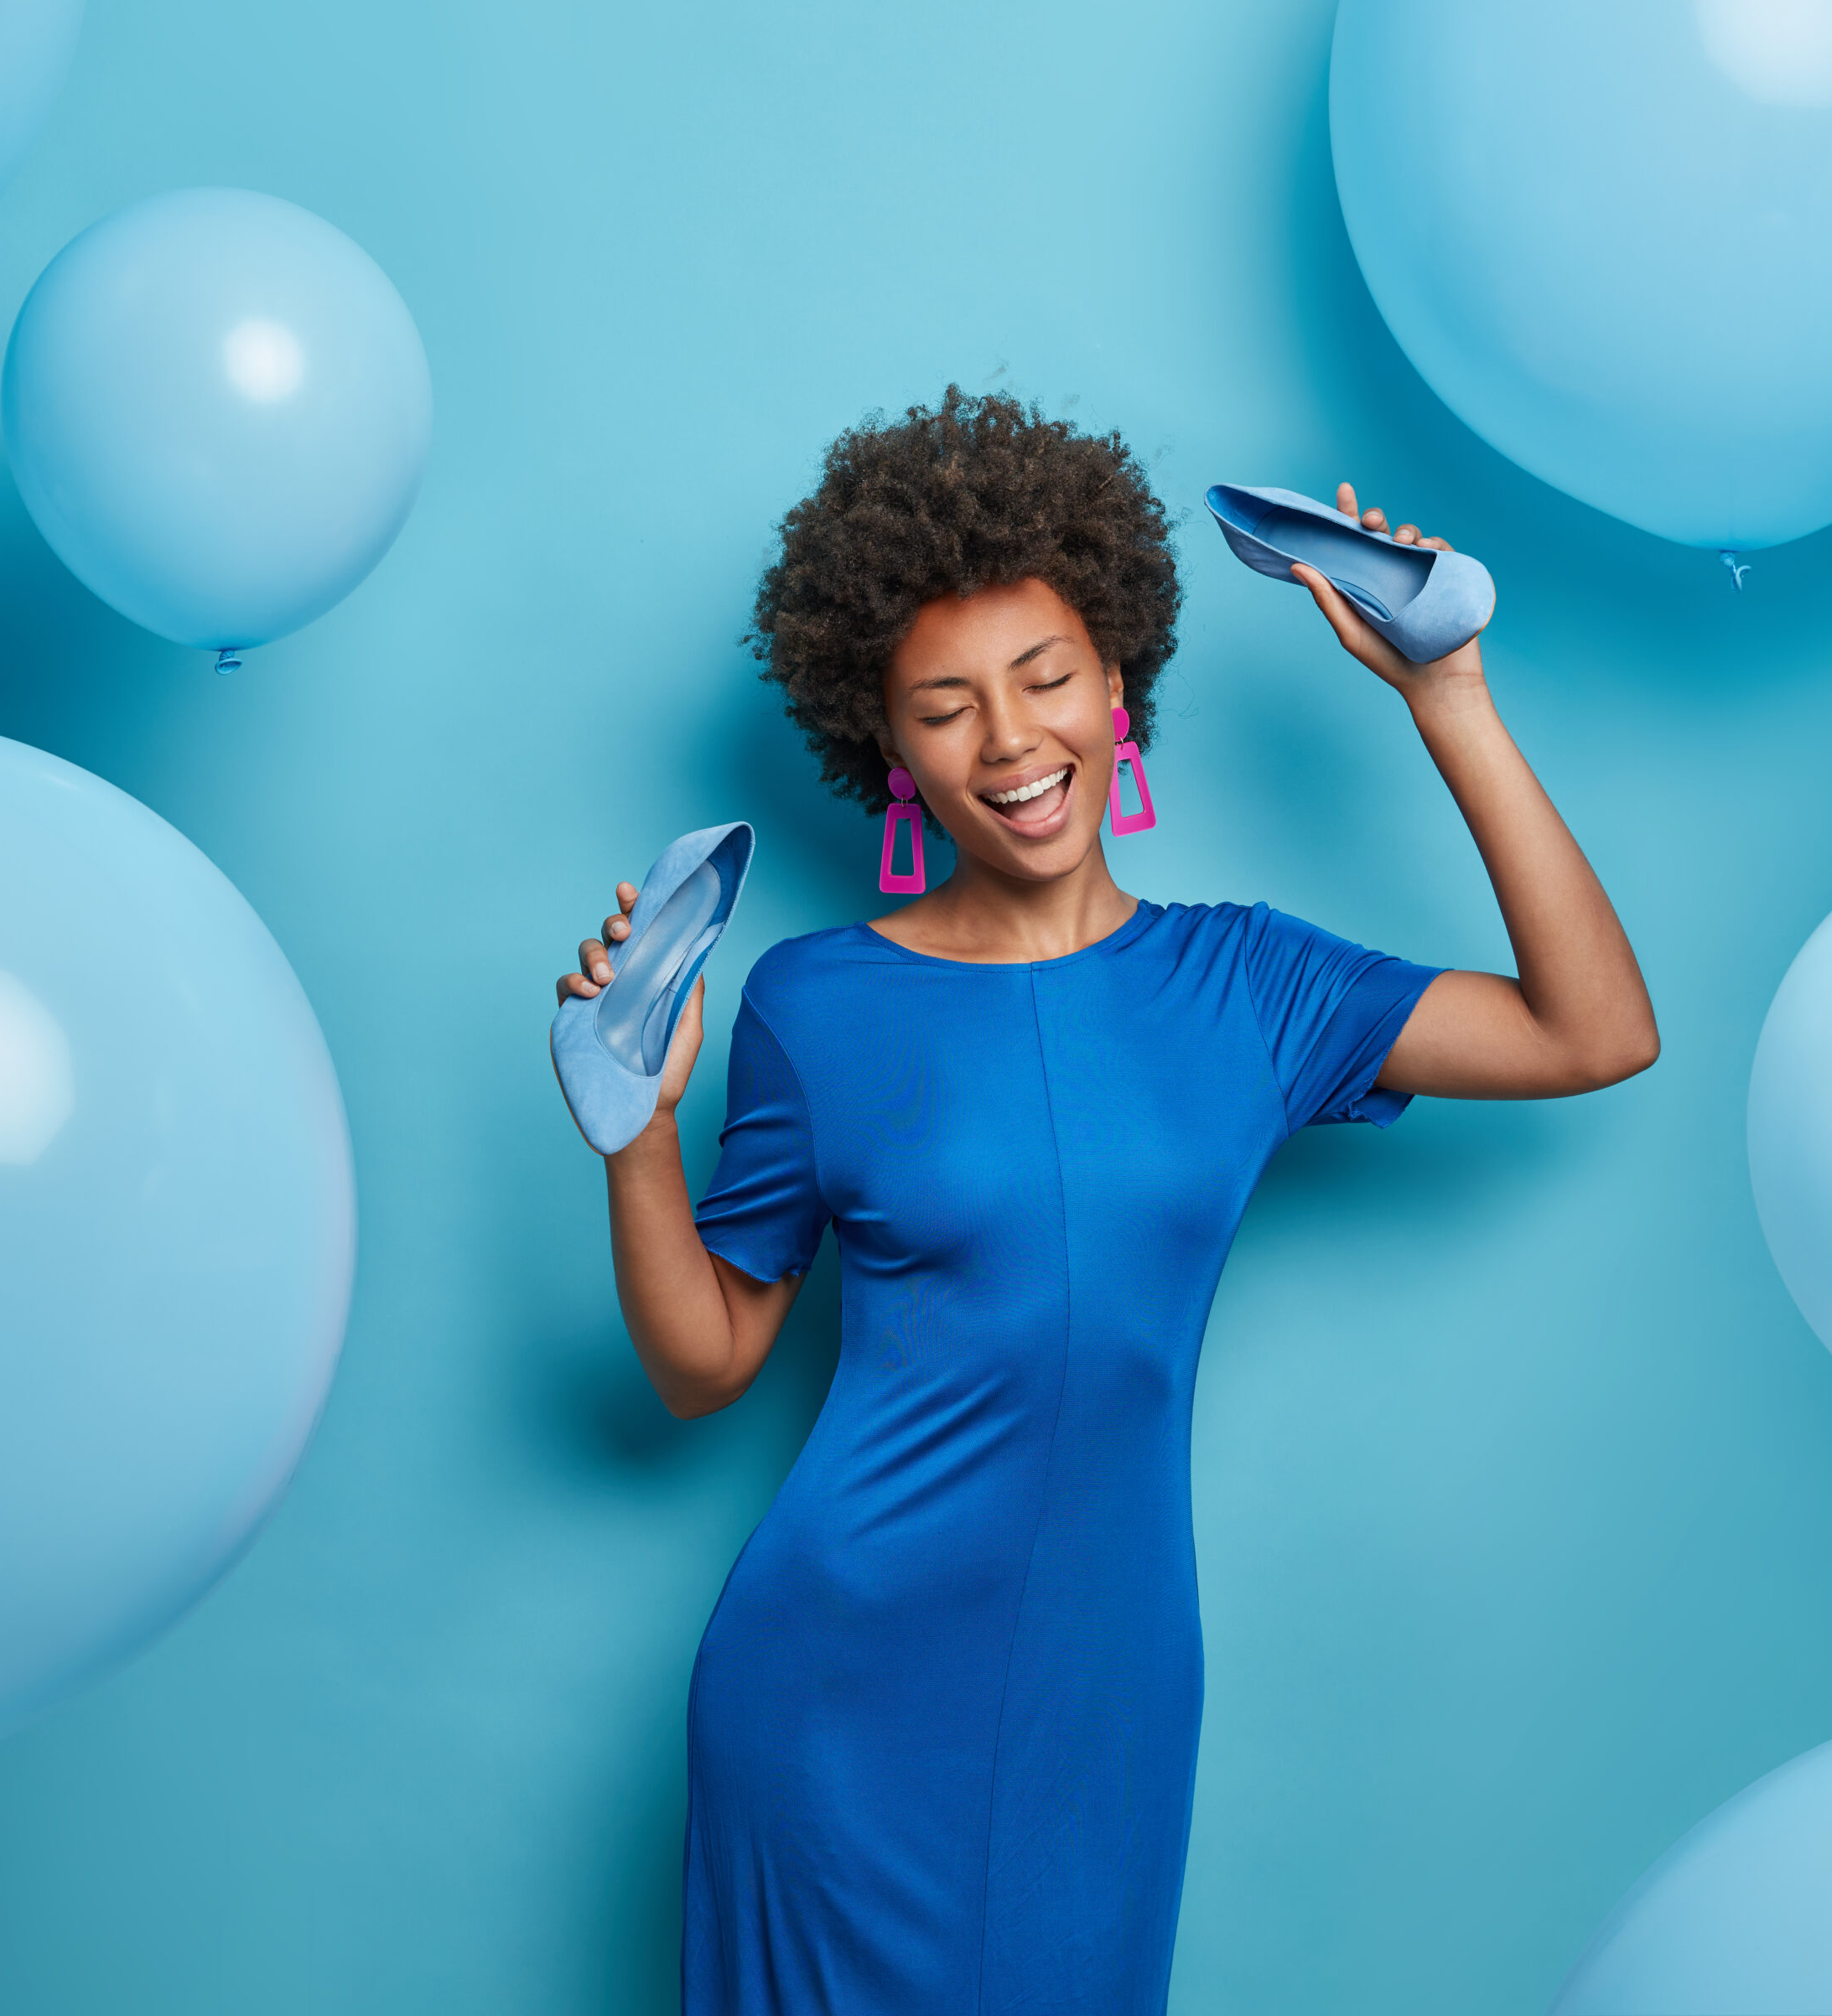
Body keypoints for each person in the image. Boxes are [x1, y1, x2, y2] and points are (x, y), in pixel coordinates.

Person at [551, 390, 1655, 2014]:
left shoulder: (1249, 981)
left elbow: (1593, 1027)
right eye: (945, 705)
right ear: (889, 748)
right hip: (833, 1685)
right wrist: (635, 1134)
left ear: (1119, 679)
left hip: (1107, 1688)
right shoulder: (813, 1002)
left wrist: (1451, 693)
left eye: (1046, 675)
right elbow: (706, 1358)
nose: (1010, 740)